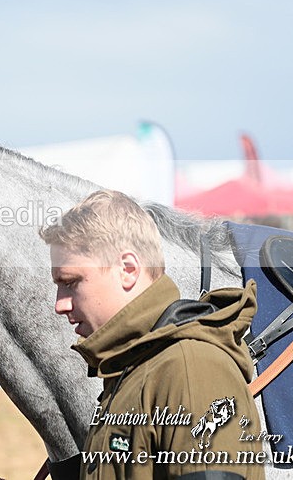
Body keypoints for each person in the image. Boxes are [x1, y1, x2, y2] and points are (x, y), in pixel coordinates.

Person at [41, 190, 263, 480]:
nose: (60, 304)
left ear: (128, 270)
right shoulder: (130, 372)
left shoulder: (189, 368)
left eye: (71, 282)